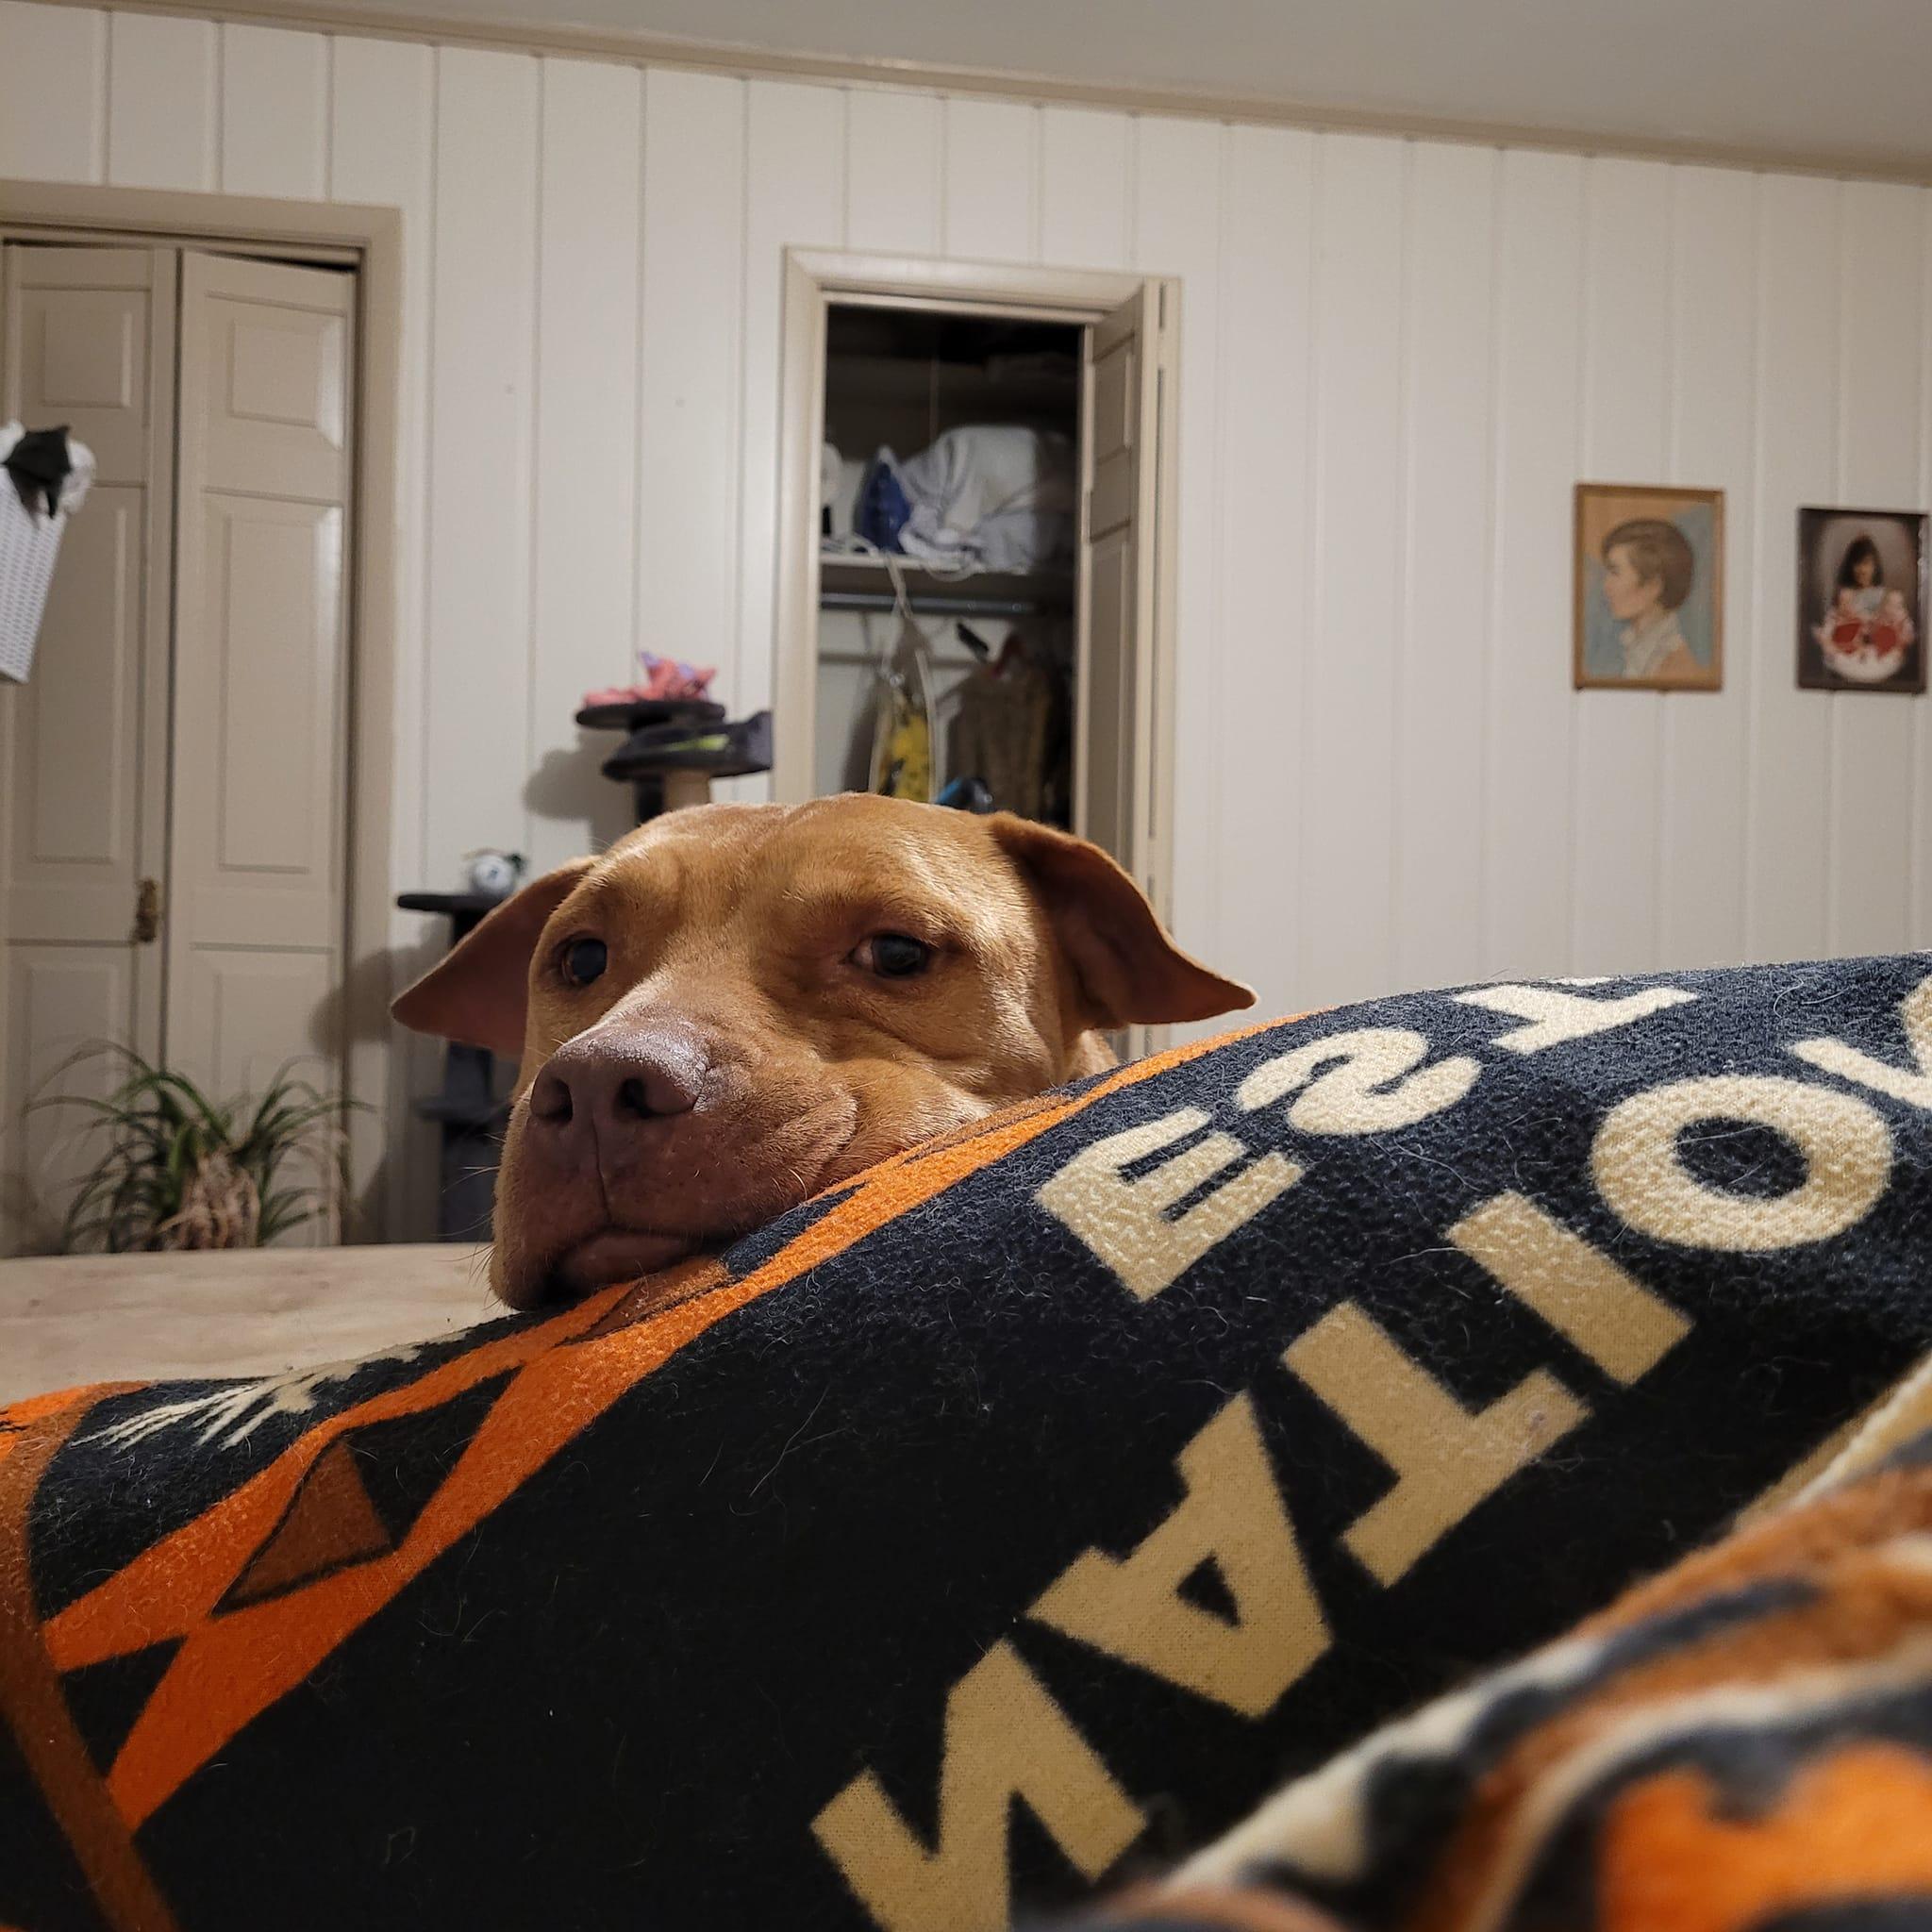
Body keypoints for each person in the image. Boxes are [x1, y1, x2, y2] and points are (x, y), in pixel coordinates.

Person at [1600, 517, 1700, 681]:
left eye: (1615, 572)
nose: (1606, 586)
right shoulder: (1638, 650)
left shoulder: (1675, 666)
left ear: (1653, 587)